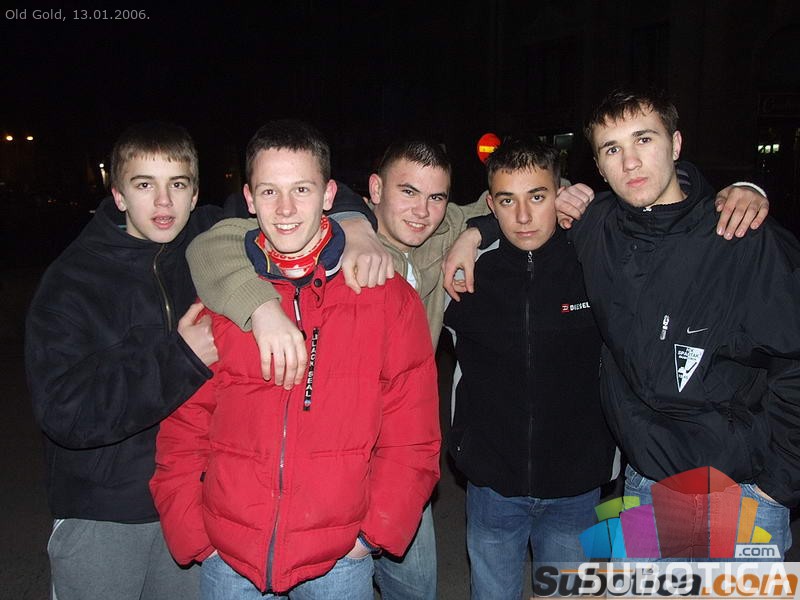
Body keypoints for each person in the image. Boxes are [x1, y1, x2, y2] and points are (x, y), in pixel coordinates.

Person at [449, 87, 795, 560]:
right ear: (598, 165)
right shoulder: (596, 228)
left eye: (644, 140)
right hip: (644, 485)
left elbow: (793, 363)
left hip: (740, 493)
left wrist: (779, 486)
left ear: (675, 144)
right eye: (613, 149)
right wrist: (476, 231)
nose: (630, 162)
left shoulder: (742, 236)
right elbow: (528, 213)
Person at [185, 138, 490, 600]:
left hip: (366, 505)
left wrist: (369, 537)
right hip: (249, 538)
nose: (422, 211)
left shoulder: (422, 255)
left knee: (415, 584)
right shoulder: (270, 268)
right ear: (374, 191)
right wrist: (197, 537)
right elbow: (215, 243)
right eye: (408, 192)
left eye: (436, 197)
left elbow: (513, 199)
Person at [25, 121, 220, 600]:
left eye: (177, 184)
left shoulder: (207, 243)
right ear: (118, 195)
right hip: (102, 514)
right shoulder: (72, 281)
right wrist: (181, 358)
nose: (163, 202)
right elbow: (64, 412)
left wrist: (356, 225)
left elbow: (286, 196)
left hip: (190, 501)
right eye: (144, 185)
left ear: (195, 195)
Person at [443, 137, 617, 599]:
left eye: (537, 197)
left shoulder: (593, 261)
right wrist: (475, 233)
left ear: (559, 194)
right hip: (492, 486)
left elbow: (655, 215)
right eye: (507, 201)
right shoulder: (465, 272)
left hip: (576, 485)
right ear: (490, 204)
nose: (522, 216)